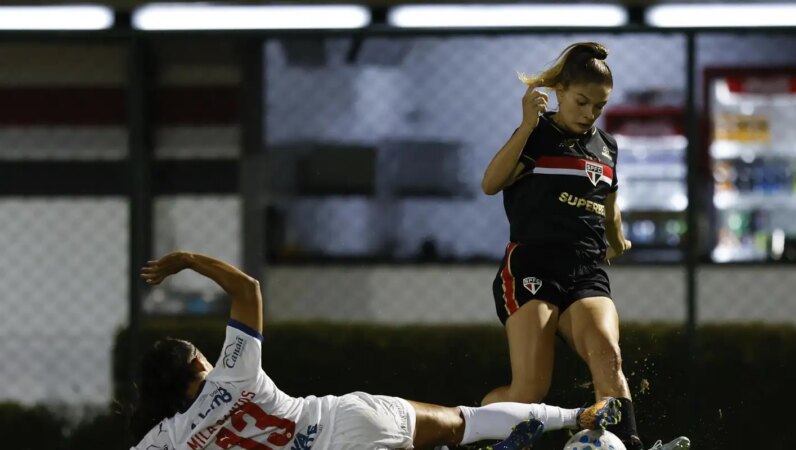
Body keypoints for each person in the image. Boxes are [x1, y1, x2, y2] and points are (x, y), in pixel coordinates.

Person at [130, 251, 622, 450]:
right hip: (345, 421)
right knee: (464, 421)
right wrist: (187, 261)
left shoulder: (170, 438)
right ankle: (576, 414)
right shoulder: (230, 375)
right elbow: (247, 290)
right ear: (199, 362)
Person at [480, 42, 689, 450]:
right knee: (529, 391)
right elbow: (490, 184)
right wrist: (525, 126)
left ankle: (629, 444)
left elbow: (609, 206)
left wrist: (618, 239)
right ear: (559, 90)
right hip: (532, 267)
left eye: (599, 106)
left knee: (607, 354)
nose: (589, 113)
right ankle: (473, 432)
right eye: (581, 102)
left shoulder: (606, 146)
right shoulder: (536, 136)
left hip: (586, 271)